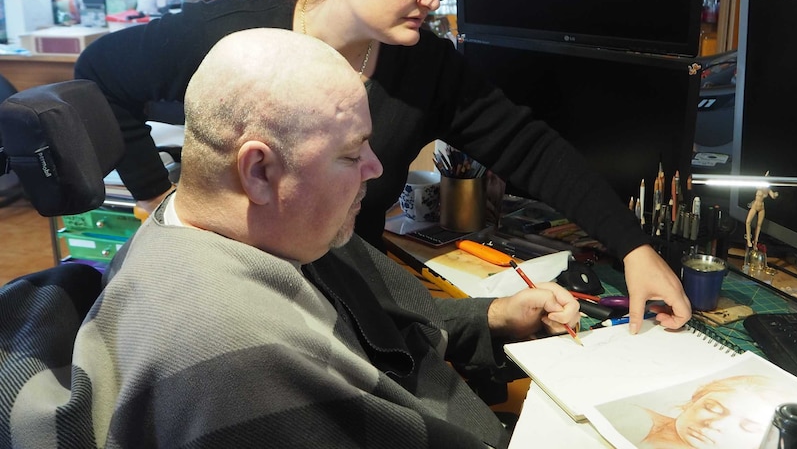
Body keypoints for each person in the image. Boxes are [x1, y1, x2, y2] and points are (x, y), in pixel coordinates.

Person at [74, 0, 689, 333]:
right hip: (228, 305)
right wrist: (155, 194)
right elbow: (99, 72)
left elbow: (529, 147)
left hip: (349, 299)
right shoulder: (232, 36)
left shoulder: (423, 63)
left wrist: (634, 248)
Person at [5, 28, 583, 448]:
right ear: (258, 171)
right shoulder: (239, 354)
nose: (376, 168)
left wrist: (493, 317)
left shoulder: (270, 229)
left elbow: (381, 325)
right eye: (352, 153)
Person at [601, 374, 789, 449]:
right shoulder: (637, 420)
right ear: (694, 399)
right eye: (713, 408)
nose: (714, 425)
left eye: (749, 426)